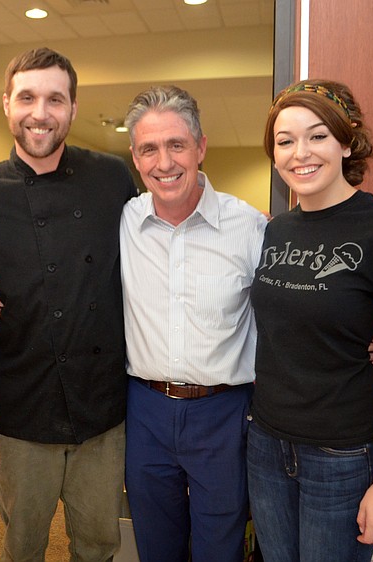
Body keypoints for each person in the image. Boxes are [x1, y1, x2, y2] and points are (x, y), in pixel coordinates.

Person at [0, 47, 137, 561]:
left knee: (99, 542)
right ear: (7, 104)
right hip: (23, 398)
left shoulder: (113, 177)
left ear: (73, 108)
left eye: (55, 99)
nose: (40, 112)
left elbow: (153, 259)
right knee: (22, 542)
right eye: (27, 97)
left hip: (103, 402)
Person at [246, 79, 373, 562]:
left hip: (343, 456)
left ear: (346, 141)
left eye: (316, 136)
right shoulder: (275, 231)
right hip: (266, 444)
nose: (299, 153)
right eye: (284, 142)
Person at [119, 85, 266, 562]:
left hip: (223, 414)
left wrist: (361, 333)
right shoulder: (121, 224)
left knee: (219, 549)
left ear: (201, 147)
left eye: (176, 145)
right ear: (136, 158)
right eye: (149, 149)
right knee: (155, 547)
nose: (164, 162)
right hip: (145, 411)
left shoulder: (251, 229)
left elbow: (292, 310)